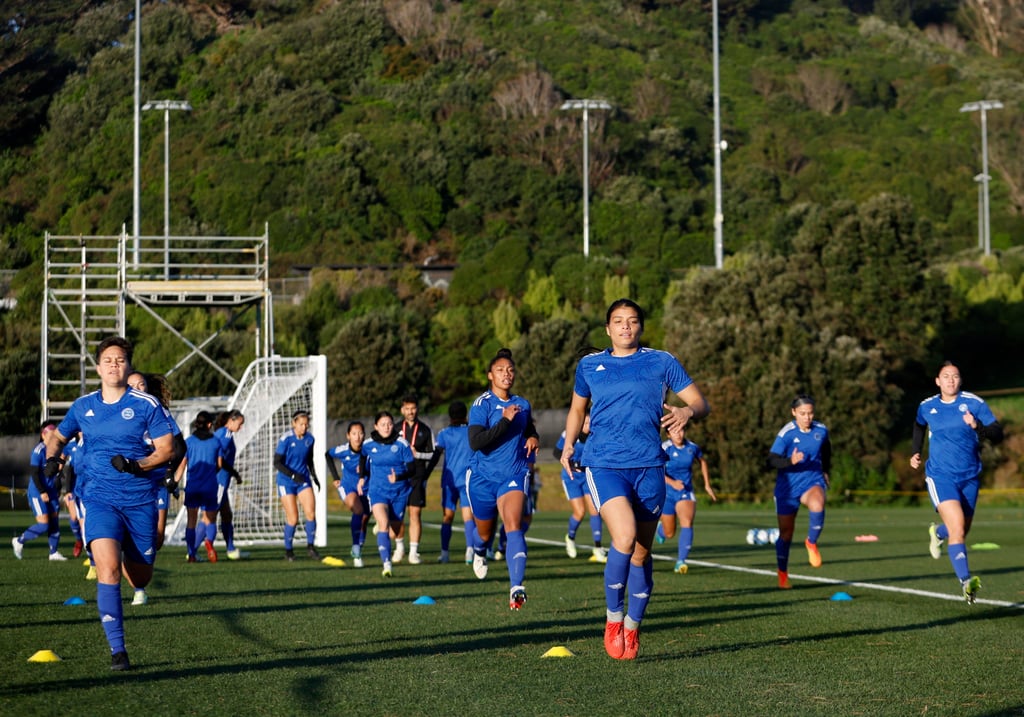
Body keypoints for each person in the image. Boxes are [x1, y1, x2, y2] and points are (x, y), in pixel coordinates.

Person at [560, 299, 709, 660]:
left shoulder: (662, 361)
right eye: (618, 321)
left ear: (640, 327)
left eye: (632, 321)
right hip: (603, 464)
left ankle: (633, 623)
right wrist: (567, 446)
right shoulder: (590, 365)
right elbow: (578, 409)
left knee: (642, 553)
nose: (625, 326)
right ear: (608, 329)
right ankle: (613, 618)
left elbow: (700, 402)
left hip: (650, 467)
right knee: (623, 538)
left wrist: (687, 410)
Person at [44, 336, 176, 671]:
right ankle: (118, 650)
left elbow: (166, 450)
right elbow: (58, 437)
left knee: (141, 576)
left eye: (120, 360)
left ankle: (139, 566)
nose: (114, 365)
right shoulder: (83, 405)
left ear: (128, 365)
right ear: (98, 366)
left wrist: (137, 465)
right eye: (108, 360)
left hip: (141, 501)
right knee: (108, 569)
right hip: (100, 499)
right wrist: (52, 459)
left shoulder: (146, 404)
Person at [910, 361, 1002, 604]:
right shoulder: (927, 406)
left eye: (956, 376)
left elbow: (997, 433)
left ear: (960, 380)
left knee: (960, 530)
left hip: (970, 476)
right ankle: (966, 583)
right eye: (946, 376)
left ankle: (937, 532)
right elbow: (919, 426)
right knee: (958, 527)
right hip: (940, 476)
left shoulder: (974, 403)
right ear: (937, 381)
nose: (951, 380)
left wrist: (977, 426)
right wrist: (915, 451)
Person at [467, 348, 539, 611]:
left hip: (514, 473)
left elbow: (528, 427)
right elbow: (476, 442)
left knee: (513, 525)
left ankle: (516, 587)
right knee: (483, 533)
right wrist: (505, 421)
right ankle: (478, 551)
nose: (506, 374)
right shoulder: (481, 404)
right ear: (490, 375)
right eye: (500, 370)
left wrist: (534, 437)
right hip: (482, 478)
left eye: (510, 370)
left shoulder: (523, 403)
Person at [767, 394, 830, 589]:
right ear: (794, 412)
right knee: (786, 534)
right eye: (803, 413)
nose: (807, 417)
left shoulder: (821, 430)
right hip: (787, 488)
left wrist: (826, 471)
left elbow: (826, 450)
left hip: (812, 481)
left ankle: (811, 542)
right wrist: (789, 462)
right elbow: (770, 460)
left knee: (818, 502)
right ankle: (783, 574)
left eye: (810, 413)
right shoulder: (786, 434)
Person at [360, 411, 415, 577]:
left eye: (389, 424)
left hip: (399, 492)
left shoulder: (402, 444)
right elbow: (363, 458)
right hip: (377, 491)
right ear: (376, 426)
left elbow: (412, 469)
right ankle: (387, 564)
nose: (386, 427)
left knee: (394, 531)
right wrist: (362, 477)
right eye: (383, 424)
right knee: (384, 523)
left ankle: (386, 532)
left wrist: (398, 477)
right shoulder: (368, 444)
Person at [657, 424, 716, 574]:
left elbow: (702, 461)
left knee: (687, 522)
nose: (678, 434)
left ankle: (681, 562)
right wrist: (672, 483)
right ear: (668, 435)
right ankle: (661, 531)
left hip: (685, 492)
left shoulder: (692, 448)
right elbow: (655, 469)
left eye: (681, 430)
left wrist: (707, 485)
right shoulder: (664, 448)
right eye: (674, 431)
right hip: (667, 493)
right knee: (669, 533)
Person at [425, 402, 476, 564]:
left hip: (449, 481)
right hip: (468, 479)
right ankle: (470, 551)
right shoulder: (471, 432)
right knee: (468, 517)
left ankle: (445, 553)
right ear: (465, 415)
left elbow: (436, 455)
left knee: (447, 517)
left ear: (450, 416)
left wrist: (426, 474)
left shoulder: (444, 434)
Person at [554, 413, 607, 563]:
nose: (588, 425)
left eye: (590, 422)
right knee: (580, 512)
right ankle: (570, 537)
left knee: (595, 510)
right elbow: (557, 452)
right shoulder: (569, 434)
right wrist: (570, 462)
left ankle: (597, 548)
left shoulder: (595, 436)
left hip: (587, 477)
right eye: (585, 422)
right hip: (571, 477)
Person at [12, 422, 68, 562]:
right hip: (38, 492)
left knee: (54, 522)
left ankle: (53, 552)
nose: (55, 436)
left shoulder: (56, 449)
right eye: (52, 433)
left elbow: (58, 470)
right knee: (44, 524)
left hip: (52, 490)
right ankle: (19, 540)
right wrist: (42, 491)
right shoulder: (38, 450)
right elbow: (35, 473)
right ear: (44, 435)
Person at [174, 411, 223, 564]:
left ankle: (191, 554)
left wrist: (174, 482)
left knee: (191, 521)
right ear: (209, 425)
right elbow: (219, 465)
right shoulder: (216, 442)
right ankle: (209, 542)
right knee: (210, 519)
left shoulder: (189, 442)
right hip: (210, 485)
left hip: (193, 486)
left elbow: (182, 465)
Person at [274, 409, 321, 562]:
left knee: (311, 513)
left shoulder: (310, 439)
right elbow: (277, 463)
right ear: (294, 423)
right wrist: (293, 475)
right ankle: (288, 550)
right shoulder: (285, 439)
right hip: (286, 482)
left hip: (303, 480)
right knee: (293, 518)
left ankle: (310, 547)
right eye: (301, 424)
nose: (304, 427)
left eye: (306, 424)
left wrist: (314, 476)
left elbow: (309, 460)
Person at [395, 395, 434, 565]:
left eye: (413, 408)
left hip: (417, 475)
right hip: (399, 476)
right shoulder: (395, 428)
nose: (410, 412)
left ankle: (413, 552)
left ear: (417, 409)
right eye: (407, 408)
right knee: (397, 514)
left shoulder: (425, 430)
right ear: (402, 410)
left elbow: (433, 454)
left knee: (415, 513)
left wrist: (417, 454)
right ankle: (399, 547)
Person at [326, 421, 369, 567]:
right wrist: (335, 477)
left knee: (365, 518)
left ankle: (358, 547)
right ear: (348, 436)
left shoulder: (368, 450)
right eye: (354, 434)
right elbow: (328, 454)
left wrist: (365, 472)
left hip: (366, 487)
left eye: (360, 433)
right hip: (348, 486)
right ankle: (356, 548)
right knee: (358, 510)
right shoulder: (343, 450)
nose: (357, 437)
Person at [213, 410, 245, 560]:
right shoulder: (225, 434)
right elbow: (219, 459)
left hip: (222, 482)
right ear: (231, 421)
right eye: (240, 423)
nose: (241, 427)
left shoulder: (222, 432)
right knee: (210, 516)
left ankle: (230, 549)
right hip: (219, 481)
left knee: (226, 515)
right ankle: (193, 551)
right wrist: (234, 472)